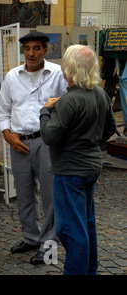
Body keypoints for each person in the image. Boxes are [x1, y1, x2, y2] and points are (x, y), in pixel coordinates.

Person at [40, 44, 117, 275]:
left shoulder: (67, 101)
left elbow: (49, 136)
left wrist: (45, 111)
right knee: (87, 222)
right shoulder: (101, 94)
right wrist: (90, 143)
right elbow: (110, 128)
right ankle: (90, 270)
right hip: (91, 168)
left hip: (70, 171)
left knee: (71, 229)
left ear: (68, 69)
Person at [0, 32, 68, 265]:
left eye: (36, 48)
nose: (31, 53)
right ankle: (30, 237)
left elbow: (69, 106)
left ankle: (49, 247)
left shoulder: (58, 74)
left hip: (47, 142)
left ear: (46, 50)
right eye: (27, 48)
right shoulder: (12, 77)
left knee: (50, 196)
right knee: (24, 195)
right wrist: (7, 135)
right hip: (19, 142)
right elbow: (2, 111)